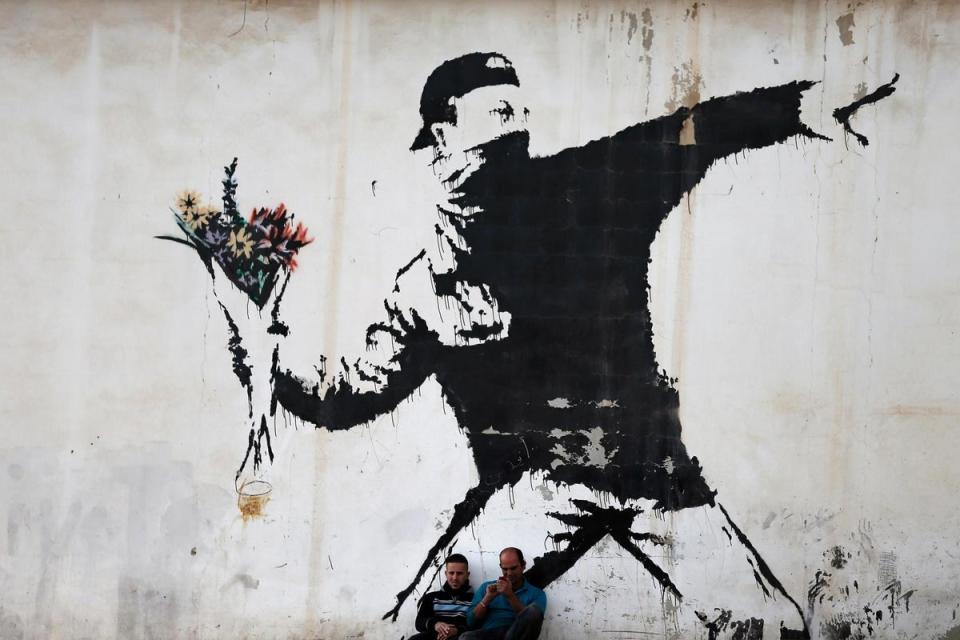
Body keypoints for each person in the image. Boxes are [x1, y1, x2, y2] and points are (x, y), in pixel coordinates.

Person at [188, 51, 897, 636]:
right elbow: (345, 401)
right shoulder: (423, 287)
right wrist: (265, 355)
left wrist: (798, 108)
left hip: (655, 480)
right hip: (535, 490)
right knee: (417, 625)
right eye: (498, 111)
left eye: (521, 112)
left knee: (773, 626)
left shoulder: (591, 186)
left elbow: (694, 131)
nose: (517, 128)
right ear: (442, 134)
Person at [461, 548, 545, 640]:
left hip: (515, 634)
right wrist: (487, 599)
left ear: (523, 565)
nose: (509, 573)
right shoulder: (487, 587)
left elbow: (532, 623)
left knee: (534, 611)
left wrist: (510, 596)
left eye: (513, 568)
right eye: (505, 569)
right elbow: (470, 622)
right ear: (500, 567)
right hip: (489, 634)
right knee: (466, 638)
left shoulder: (537, 594)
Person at [409, 554, 474, 640]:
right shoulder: (431, 597)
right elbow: (419, 623)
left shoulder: (475, 599)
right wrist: (435, 625)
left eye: (459, 573)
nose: (454, 578)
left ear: (467, 574)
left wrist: (456, 630)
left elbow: (477, 626)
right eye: (451, 573)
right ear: (446, 574)